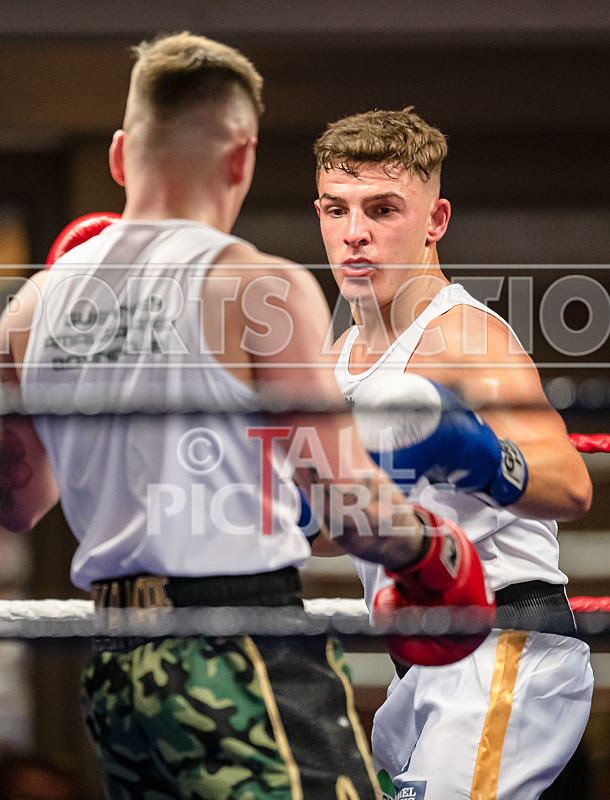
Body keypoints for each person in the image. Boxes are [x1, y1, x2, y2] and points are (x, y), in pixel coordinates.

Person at [0, 36, 493, 800]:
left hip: (114, 666)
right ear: (242, 160)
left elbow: (18, 502)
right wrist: (437, 550)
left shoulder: (31, 307)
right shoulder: (259, 286)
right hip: (239, 650)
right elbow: (347, 506)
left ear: (122, 155)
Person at [313, 107, 594, 799]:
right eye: (336, 209)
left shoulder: (463, 338)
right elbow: (326, 536)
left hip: (506, 645)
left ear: (435, 220)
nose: (355, 233)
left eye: (382, 209)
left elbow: (570, 482)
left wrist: (468, 452)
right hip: (421, 661)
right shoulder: (339, 359)